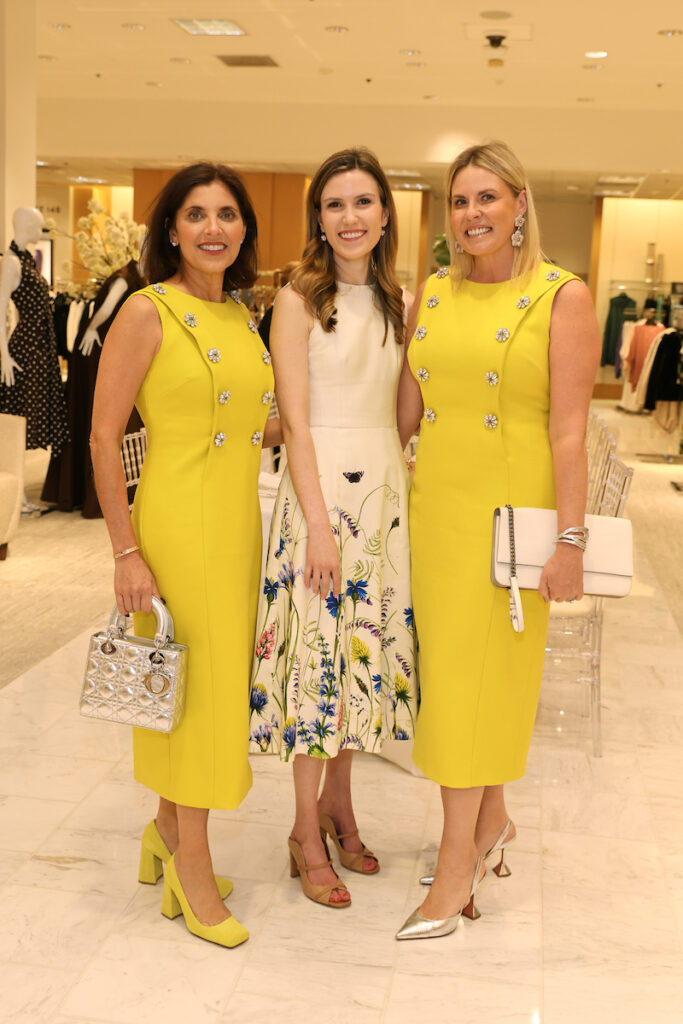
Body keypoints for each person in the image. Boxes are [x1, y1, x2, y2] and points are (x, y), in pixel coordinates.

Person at [395, 141, 600, 940]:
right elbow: (408, 409)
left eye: (487, 197)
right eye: (459, 200)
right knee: (451, 681)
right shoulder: (432, 293)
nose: (471, 213)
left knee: (476, 690)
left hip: (511, 523)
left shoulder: (561, 297)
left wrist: (570, 540)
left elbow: (570, 432)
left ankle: (458, 864)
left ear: (518, 205)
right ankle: (492, 821)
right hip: (435, 512)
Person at [90, 162, 278, 948]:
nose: (213, 229)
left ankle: (166, 831)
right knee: (194, 703)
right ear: (170, 228)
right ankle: (191, 870)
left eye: (227, 214)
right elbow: (103, 436)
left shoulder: (240, 315)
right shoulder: (147, 310)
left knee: (203, 688)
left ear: (243, 230)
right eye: (196, 214)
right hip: (174, 527)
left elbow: (253, 424)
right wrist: (125, 553)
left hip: (236, 527)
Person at [250, 147, 418, 908]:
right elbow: (294, 422)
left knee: (360, 658)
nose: (349, 217)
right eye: (334, 204)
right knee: (315, 662)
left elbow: (404, 412)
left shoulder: (400, 300)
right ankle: (302, 830)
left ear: (384, 213)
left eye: (362, 202)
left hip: (381, 497)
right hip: (317, 501)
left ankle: (339, 807)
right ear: (318, 217)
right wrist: (318, 526)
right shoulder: (296, 299)